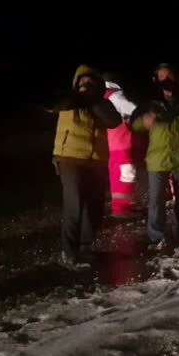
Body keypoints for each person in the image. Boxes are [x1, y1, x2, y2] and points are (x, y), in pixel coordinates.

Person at [50, 64, 122, 268]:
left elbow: (114, 121)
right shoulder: (69, 100)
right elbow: (56, 103)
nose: (86, 85)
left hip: (96, 160)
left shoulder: (101, 103)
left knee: (95, 205)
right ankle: (69, 252)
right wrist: (81, 97)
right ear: (76, 84)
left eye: (90, 82)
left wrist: (93, 100)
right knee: (75, 204)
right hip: (69, 158)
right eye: (82, 82)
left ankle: (85, 247)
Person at [132, 64, 179, 248]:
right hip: (158, 158)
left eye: (169, 76)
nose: (165, 81)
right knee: (156, 199)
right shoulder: (149, 102)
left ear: (176, 78)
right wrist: (144, 121)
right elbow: (134, 124)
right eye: (161, 77)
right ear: (156, 80)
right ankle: (157, 235)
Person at [103, 77, 139, 218]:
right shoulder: (114, 94)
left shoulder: (101, 94)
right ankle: (121, 209)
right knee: (125, 174)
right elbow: (133, 109)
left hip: (111, 142)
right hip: (121, 141)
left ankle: (121, 206)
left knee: (117, 173)